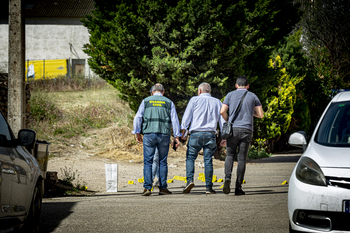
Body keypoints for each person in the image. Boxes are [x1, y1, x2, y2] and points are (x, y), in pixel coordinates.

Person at [132, 83, 181, 196]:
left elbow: (138, 117)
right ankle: (163, 188)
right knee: (162, 161)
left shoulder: (146, 101)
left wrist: (137, 132)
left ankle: (147, 188)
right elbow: (174, 120)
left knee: (148, 161)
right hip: (164, 134)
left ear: (152, 92)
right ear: (163, 92)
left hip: (149, 134)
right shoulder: (169, 102)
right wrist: (176, 136)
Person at [220, 76, 264, 195]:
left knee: (229, 155)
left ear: (236, 85)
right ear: (248, 86)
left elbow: (222, 111)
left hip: (233, 129)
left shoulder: (229, 95)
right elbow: (260, 114)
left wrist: (228, 120)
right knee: (241, 158)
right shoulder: (253, 96)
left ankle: (227, 177)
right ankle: (238, 187)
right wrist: (251, 112)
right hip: (246, 130)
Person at [180, 82, 224, 194]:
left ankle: (189, 180)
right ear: (209, 91)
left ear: (199, 91)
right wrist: (224, 136)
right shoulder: (217, 102)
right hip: (210, 134)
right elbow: (222, 120)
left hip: (195, 134)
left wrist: (183, 132)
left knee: (190, 158)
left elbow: (187, 117)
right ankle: (209, 187)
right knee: (208, 160)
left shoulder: (194, 100)